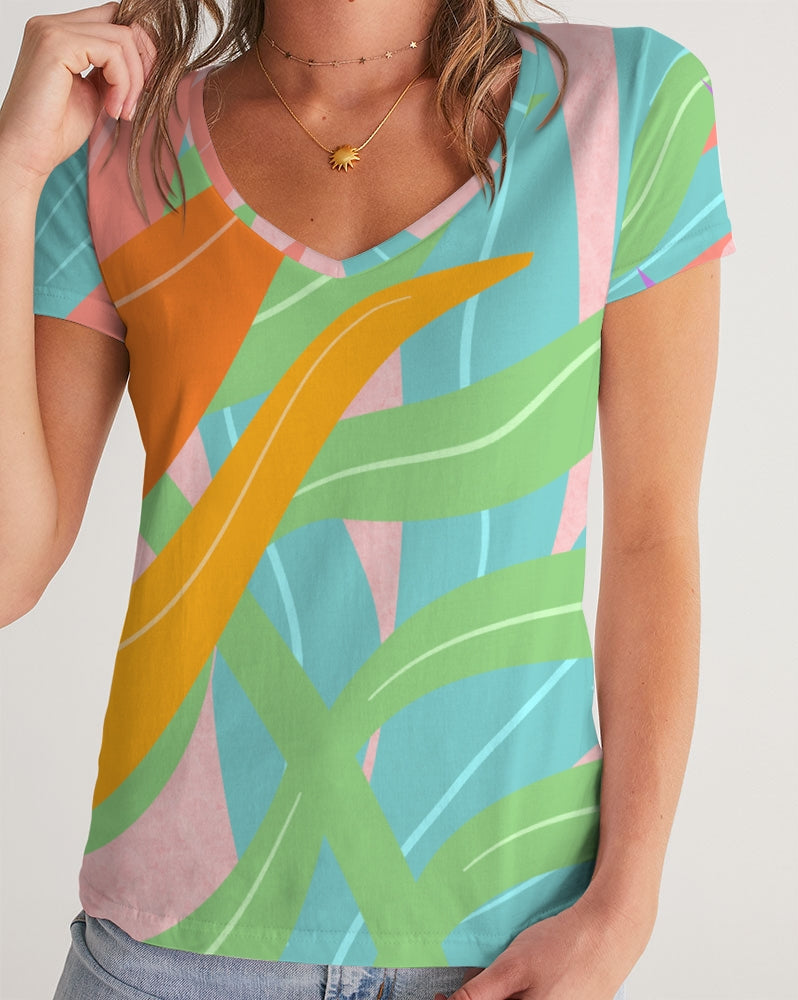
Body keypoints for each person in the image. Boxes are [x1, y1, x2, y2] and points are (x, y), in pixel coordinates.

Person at [0, 0, 736, 996]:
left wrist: (622, 909)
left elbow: (653, 538)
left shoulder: (625, 105)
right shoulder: (115, 142)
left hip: (506, 943)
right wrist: (10, 177)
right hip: (174, 951)